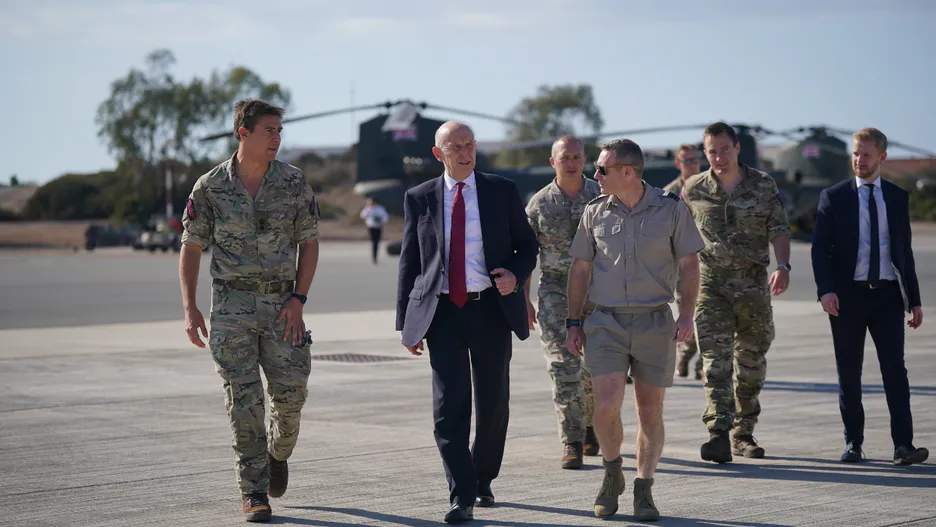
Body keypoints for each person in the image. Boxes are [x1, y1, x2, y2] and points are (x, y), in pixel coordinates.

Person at [179, 99, 320, 523]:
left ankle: (278, 453)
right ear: (244, 133)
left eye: (279, 131)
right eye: (269, 131)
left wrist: (299, 299)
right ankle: (253, 491)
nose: (277, 138)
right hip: (231, 308)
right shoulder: (210, 186)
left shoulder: (293, 182)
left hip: (283, 308)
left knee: (291, 398)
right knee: (244, 402)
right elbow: (191, 246)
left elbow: (309, 242)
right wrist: (190, 307)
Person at [395, 121, 538, 523]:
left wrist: (514, 275)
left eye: (469, 144)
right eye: (455, 146)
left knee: (493, 402)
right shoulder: (419, 197)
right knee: (449, 407)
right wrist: (407, 323)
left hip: (491, 309)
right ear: (438, 153)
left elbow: (527, 246)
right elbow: (410, 262)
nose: (465, 152)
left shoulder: (501, 190)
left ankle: (483, 476)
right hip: (442, 313)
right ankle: (462, 494)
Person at [566, 139, 704, 521]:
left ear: (627, 171)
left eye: (602, 169)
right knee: (606, 404)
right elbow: (580, 270)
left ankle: (644, 487)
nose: (595, 175)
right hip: (605, 322)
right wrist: (573, 322)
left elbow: (690, 265)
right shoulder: (594, 211)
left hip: (654, 321)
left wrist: (686, 314)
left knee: (649, 411)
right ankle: (612, 473)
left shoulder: (671, 209)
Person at [811, 127, 928, 466]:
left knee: (895, 371)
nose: (859, 160)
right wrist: (825, 290)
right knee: (849, 373)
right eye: (855, 154)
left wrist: (914, 300)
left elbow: (904, 252)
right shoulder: (834, 196)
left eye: (866, 155)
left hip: (887, 297)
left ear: (882, 157)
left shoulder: (897, 197)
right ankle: (853, 442)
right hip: (847, 298)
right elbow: (819, 248)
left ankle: (903, 445)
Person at [681, 122, 792, 464]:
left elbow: (779, 228)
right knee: (715, 362)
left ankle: (743, 433)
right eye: (712, 152)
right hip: (711, 285)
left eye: (725, 149)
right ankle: (718, 432)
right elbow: (679, 236)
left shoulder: (763, 184)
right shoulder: (693, 189)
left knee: (751, 363)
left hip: (753, 285)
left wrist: (783, 265)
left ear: (737, 148)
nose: (719, 157)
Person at [524, 135, 602, 469]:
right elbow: (526, 255)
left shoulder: (602, 197)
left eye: (576, 157)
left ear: (584, 160)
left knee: (594, 368)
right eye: (564, 157)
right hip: (555, 292)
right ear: (552, 162)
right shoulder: (539, 204)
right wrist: (525, 300)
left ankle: (590, 424)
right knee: (563, 365)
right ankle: (572, 440)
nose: (571, 163)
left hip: (599, 293)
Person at [663, 144, 705, 380]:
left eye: (696, 160)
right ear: (678, 164)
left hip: (709, 264)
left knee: (708, 316)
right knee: (690, 314)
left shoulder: (710, 188)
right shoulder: (669, 194)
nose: (693, 165)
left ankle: (703, 363)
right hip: (683, 267)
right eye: (687, 161)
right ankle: (684, 353)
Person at [360, 197, 389, 264]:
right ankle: (374, 257)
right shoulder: (367, 209)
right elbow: (362, 216)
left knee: (377, 242)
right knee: (374, 242)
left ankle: (375, 256)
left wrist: (381, 221)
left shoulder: (380, 209)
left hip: (378, 227)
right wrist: (368, 209)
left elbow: (385, 217)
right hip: (371, 227)